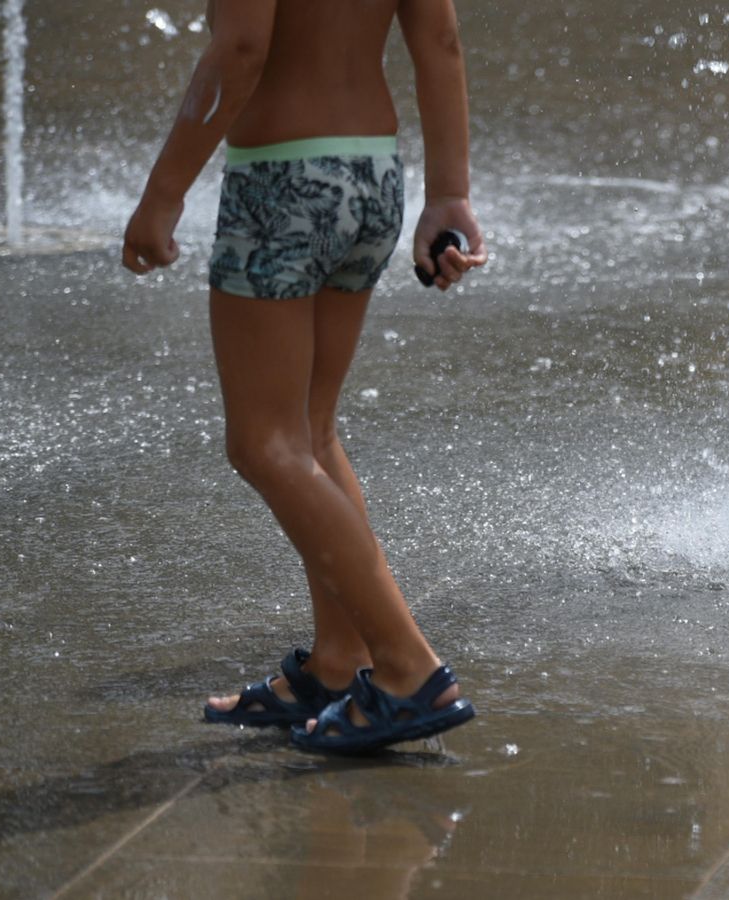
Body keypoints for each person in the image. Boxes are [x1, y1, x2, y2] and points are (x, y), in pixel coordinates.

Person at [122, 0, 487, 752]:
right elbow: (440, 40)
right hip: (371, 175)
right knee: (311, 431)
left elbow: (244, 45)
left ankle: (407, 667)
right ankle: (338, 659)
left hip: (281, 181)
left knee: (264, 444)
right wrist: (449, 194)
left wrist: (163, 193)